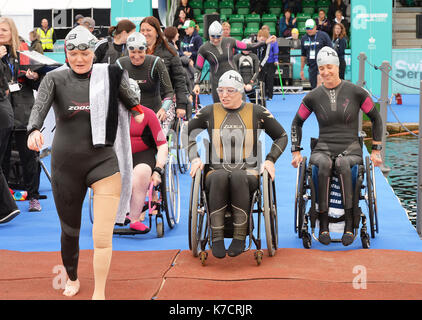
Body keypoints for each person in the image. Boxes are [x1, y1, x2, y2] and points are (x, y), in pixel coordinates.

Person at [26, 26, 145, 299]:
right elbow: (39, 108)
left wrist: (119, 77)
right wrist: (34, 130)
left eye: (86, 52)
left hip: (103, 162)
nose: (80, 59)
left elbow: (133, 99)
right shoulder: (54, 79)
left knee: (102, 236)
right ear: (66, 53)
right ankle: (72, 276)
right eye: (74, 53)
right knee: (70, 231)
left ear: (94, 52)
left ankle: (100, 291)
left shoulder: (109, 75)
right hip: (66, 166)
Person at [188, 70, 288, 258]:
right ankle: (216, 236)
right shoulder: (208, 111)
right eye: (220, 90)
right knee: (219, 175)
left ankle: (240, 236)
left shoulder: (257, 111)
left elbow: (281, 136)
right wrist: (194, 158)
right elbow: (188, 133)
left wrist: (270, 159)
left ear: (241, 91)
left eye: (230, 91)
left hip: (247, 170)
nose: (224, 95)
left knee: (238, 175)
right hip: (215, 169)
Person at [291, 46, 383, 247]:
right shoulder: (313, 96)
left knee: (342, 163)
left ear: (338, 67)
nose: (325, 72)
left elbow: (376, 118)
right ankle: (322, 224)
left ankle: (350, 225)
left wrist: (376, 150)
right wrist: (295, 150)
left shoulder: (357, 92)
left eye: (329, 67)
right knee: (322, 164)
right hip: (323, 147)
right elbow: (297, 121)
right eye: (322, 68)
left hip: (350, 147)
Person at [0, 17, 43, 212]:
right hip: (2, 115)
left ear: (13, 33)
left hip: (23, 112)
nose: (0, 33)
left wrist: (34, 77)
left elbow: (37, 85)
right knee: (3, 159)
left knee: (29, 158)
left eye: (4, 30)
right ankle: (5, 199)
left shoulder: (24, 54)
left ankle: (33, 196)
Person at [193, 21, 277, 103]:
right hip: (217, 81)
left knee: (240, 105)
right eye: (213, 36)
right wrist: (196, 84)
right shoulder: (203, 49)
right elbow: (198, 68)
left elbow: (247, 47)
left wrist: (265, 42)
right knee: (219, 108)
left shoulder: (230, 41)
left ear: (221, 34)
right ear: (209, 35)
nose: (215, 39)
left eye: (218, 36)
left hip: (234, 78)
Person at [116, 32, 174, 128]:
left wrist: (163, 109)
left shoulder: (155, 62)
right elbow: (114, 92)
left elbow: (169, 92)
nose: (137, 56)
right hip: (130, 116)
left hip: (153, 114)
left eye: (140, 52)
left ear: (146, 50)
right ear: (127, 50)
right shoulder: (120, 64)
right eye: (133, 52)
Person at [140, 16, 189, 120]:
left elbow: (179, 79)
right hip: (140, 103)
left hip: (164, 103)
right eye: (142, 30)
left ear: (157, 32)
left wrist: (181, 105)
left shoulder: (169, 50)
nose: (145, 33)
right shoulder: (134, 51)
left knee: (159, 135)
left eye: (148, 30)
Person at [0, 54, 20, 224]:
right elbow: (6, 90)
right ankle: (6, 209)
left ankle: (7, 208)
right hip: (6, 116)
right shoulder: (2, 66)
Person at [300, 19, 332, 89]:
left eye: (311, 28)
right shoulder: (304, 38)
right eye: (307, 28)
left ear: (315, 27)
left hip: (323, 65)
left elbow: (330, 50)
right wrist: (301, 70)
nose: (309, 30)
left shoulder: (323, 35)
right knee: (314, 87)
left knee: (320, 85)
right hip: (311, 65)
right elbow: (303, 55)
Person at [233, 38, 260, 103]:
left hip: (252, 82)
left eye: (248, 47)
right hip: (240, 82)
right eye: (244, 47)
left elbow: (256, 71)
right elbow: (235, 72)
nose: (246, 49)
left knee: (252, 94)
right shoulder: (236, 57)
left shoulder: (254, 56)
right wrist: (243, 84)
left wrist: (251, 84)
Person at [256, 29, 279, 101]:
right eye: (260, 36)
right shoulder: (257, 42)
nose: (261, 38)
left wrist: (276, 59)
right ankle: (263, 94)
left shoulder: (271, 42)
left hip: (270, 62)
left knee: (269, 79)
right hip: (261, 63)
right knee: (262, 79)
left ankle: (270, 95)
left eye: (263, 36)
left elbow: (274, 51)